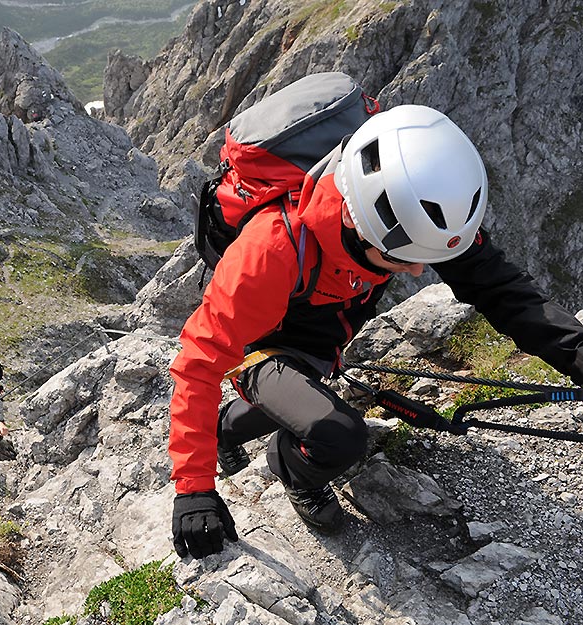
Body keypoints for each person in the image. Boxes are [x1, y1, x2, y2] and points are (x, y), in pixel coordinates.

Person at [169, 104, 583, 559]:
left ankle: (224, 431)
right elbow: (198, 360)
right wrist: (194, 489)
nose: (418, 268)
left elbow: (505, 293)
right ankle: (290, 465)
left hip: (320, 338)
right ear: (353, 220)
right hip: (260, 346)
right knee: (340, 435)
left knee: (305, 395)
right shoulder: (270, 250)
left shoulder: (401, 209)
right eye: (401, 259)